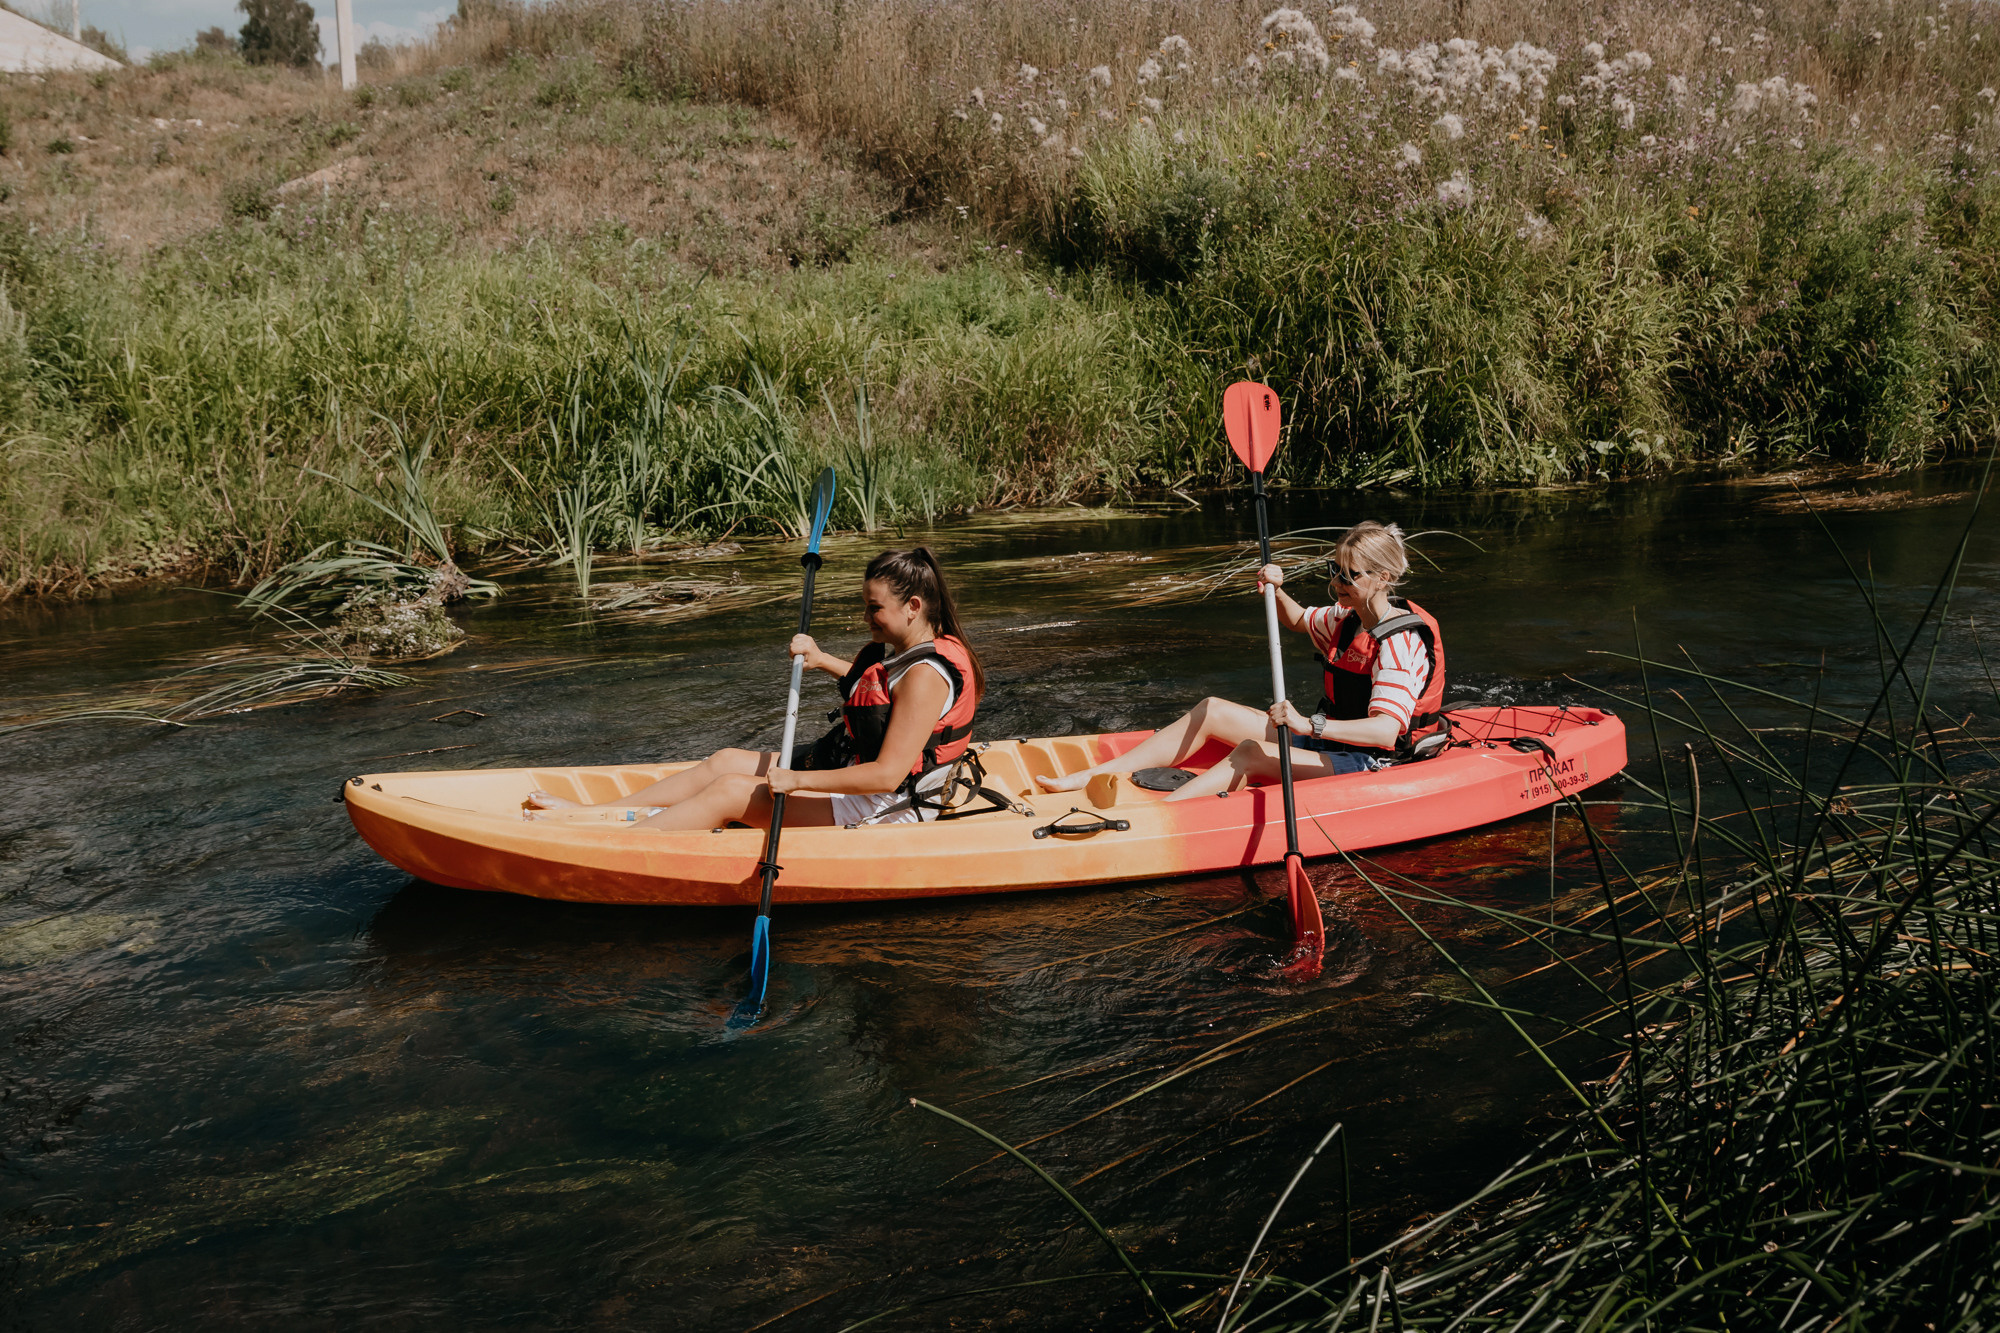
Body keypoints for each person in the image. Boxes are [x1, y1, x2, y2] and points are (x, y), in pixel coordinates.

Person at [525, 548, 983, 831]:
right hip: (858, 771)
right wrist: (822, 660)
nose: (866, 618)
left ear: (913, 607)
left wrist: (796, 780)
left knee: (729, 792)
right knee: (725, 761)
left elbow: (886, 775)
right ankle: (601, 811)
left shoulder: (928, 674)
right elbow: (883, 697)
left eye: (873, 608)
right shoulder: (917, 650)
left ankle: (617, 845)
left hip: (891, 804)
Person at [1037, 520, 1444, 801]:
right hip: (1331, 741)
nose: (1337, 582)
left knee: (1249, 751)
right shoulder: (1348, 617)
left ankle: (1163, 813)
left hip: (1370, 760)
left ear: (1384, 579)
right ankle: (1092, 776)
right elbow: (1301, 620)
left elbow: (1386, 732)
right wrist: (1275, 590)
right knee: (1213, 709)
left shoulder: (1400, 642)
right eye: (1333, 570)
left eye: (1348, 575)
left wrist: (1307, 724)